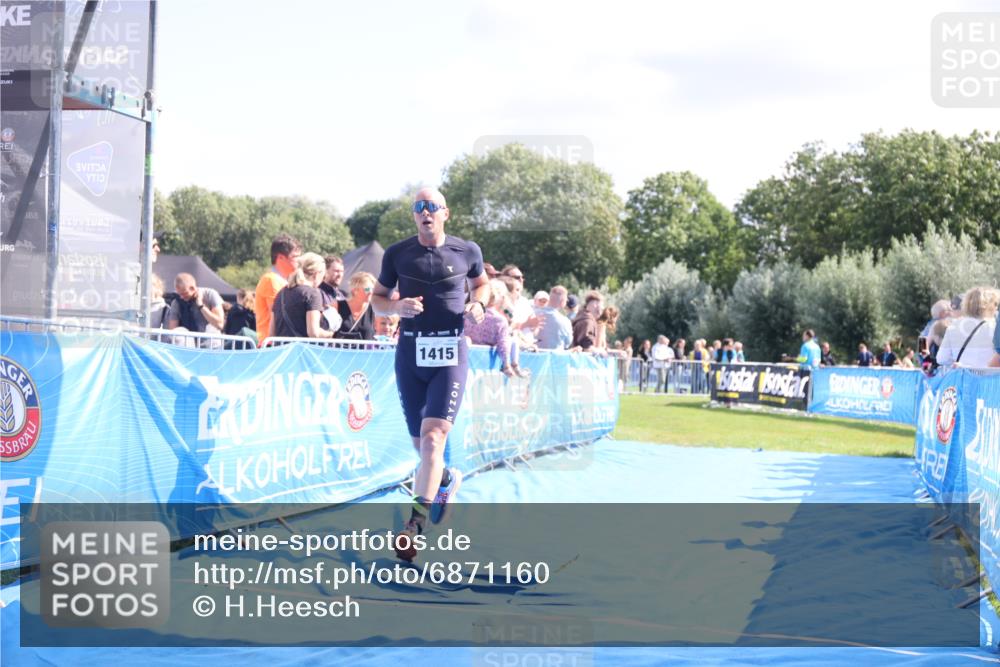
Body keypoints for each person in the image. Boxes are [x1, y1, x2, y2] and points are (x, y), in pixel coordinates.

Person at [371, 187, 489, 560]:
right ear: (414, 216)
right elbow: (377, 298)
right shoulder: (397, 253)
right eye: (419, 208)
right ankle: (447, 479)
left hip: (450, 351)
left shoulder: (466, 250)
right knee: (421, 448)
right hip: (410, 353)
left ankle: (414, 526)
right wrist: (395, 306)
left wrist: (479, 303)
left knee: (434, 438)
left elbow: (482, 283)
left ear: (445, 213)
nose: (425, 213)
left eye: (431, 207)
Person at [270, 253, 337, 340]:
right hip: (302, 351)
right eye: (323, 277)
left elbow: (271, 333)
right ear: (316, 274)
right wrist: (331, 334)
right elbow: (313, 332)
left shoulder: (281, 293)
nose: (322, 280)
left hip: (281, 350)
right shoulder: (313, 294)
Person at [464, 279, 523, 377]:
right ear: (500, 298)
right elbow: (503, 344)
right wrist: (506, 365)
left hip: (467, 361)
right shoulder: (499, 320)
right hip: (485, 367)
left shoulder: (468, 313)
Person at [255, 233, 302, 345]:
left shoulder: (282, 280)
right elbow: (280, 315)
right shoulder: (271, 280)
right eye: (295, 257)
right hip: (271, 345)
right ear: (280, 257)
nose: (299, 261)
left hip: (279, 343)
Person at [937, 286, 1000, 369]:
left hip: (963, 378)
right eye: (995, 304)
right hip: (989, 378)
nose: (996, 308)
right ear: (988, 306)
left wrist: (963, 364)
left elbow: (941, 359)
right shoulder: (995, 326)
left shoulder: (954, 326)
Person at [167, 273, 225, 346]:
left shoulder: (210, 294)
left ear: (193, 288)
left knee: (211, 328)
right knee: (179, 331)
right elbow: (173, 331)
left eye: (184, 293)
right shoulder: (177, 302)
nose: (181, 297)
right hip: (188, 344)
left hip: (210, 344)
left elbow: (219, 324)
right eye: (179, 294)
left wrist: (201, 306)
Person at [336, 271, 377, 340]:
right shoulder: (337, 305)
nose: (370, 292)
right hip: (339, 350)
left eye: (373, 289)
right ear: (355, 290)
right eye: (367, 289)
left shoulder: (374, 309)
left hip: (365, 351)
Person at [535, 285, 573, 350]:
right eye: (566, 299)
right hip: (556, 358)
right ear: (562, 301)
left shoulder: (534, 314)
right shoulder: (565, 321)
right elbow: (568, 343)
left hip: (534, 357)